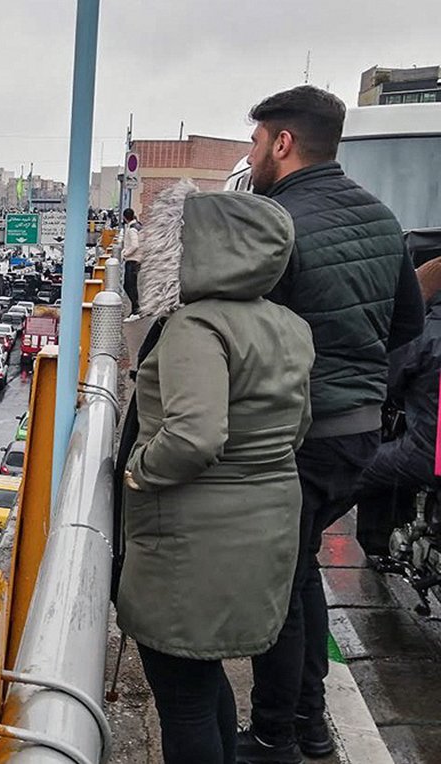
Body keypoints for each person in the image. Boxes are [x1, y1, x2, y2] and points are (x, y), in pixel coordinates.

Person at [240, 85, 425, 762]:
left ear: (283, 142)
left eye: (256, 142)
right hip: (358, 435)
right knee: (299, 570)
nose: (250, 156)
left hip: (298, 435)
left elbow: (247, 336)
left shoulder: (275, 222)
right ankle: (309, 724)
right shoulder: (381, 218)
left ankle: (276, 735)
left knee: (277, 587)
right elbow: (407, 325)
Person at [117, 180, 314, 764]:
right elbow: (298, 428)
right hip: (265, 529)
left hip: (190, 547)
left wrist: (138, 471)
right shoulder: (289, 324)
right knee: (204, 686)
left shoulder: (196, 327)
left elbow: (195, 437)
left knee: (184, 700)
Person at [354, 258, 441, 553]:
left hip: (427, 452)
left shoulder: (426, 332)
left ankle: (307, 548)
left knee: (353, 471)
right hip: (431, 451)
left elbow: (388, 380)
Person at [119, 208, 142, 320]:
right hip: (137, 259)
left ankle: (136, 309)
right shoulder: (138, 226)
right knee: (132, 285)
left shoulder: (132, 229)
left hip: (132, 259)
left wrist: (125, 253)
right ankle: (135, 309)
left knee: (128, 285)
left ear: (124, 217)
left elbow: (135, 245)